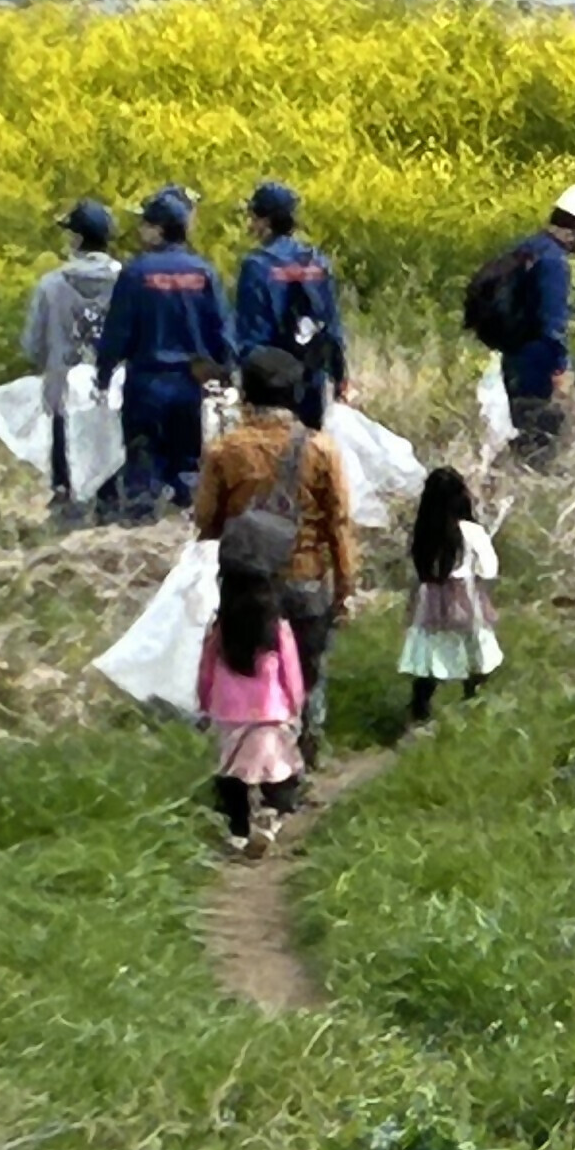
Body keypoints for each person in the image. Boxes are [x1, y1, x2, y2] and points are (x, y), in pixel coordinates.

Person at [194, 348, 359, 771]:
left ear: (246, 395)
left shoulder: (223, 451)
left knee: (252, 674)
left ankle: (248, 762)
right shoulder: (321, 448)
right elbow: (339, 524)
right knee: (308, 672)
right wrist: (345, 587)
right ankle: (305, 755)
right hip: (306, 577)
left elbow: (207, 522)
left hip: (245, 581)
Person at [96, 188, 230, 513]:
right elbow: (222, 329)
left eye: (145, 224)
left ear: (158, 229)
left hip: (146, 383)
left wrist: (103, 373)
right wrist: (225, 373)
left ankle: (141, 532)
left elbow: (117, 331)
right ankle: (189, 536)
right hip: (188, 384)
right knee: (187, 465)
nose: (140, 230)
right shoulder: (203, 272)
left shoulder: (136, 273)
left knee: (143, 464)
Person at [470, 185, 575, 466]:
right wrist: (560, 369)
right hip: (538, 365)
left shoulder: (526, 248)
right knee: (540, 444)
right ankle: (528, 494)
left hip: (512, 358)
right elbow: (552, 324)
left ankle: (503, 487)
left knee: (518, 433)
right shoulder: (554, 263)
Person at [194, 541, 309, 860]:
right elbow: (291, 672)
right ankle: (270, 819)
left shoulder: (221, 630)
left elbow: (205, 670)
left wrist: (204, 702)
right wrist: (296, 704)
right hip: (271, 709)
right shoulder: (276, 627)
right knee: (279, 768)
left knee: (232, 773)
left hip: (229, 711)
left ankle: (238, 832)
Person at [19, 199, 125, 527]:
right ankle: (111, 519)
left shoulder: (51, 285)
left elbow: (31, 344)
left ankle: (67, 522)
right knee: (113, 469)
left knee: (66, 470)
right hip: (117, 393)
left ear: (77, 240)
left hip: (64, 391)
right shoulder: (128, 281)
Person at [229, 181, 350, 430]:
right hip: (311, 381)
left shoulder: (257, 265)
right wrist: (340, 377)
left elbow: (250, 334)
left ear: (265, 222)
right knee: (305, 455)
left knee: (266, 455)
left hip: (270, 382)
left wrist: (237, 379)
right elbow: (332, 326)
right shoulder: (316, 262)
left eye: (253, 217)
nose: (250, 224)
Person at [397, 465, 500, 725]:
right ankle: (473, 706)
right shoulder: (471, 532)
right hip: (467, 605)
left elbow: (417, 574)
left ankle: (419, 712)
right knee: (476, 656)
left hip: (431, 607)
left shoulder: (423, 535)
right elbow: (489, 570)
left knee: (429, 660)